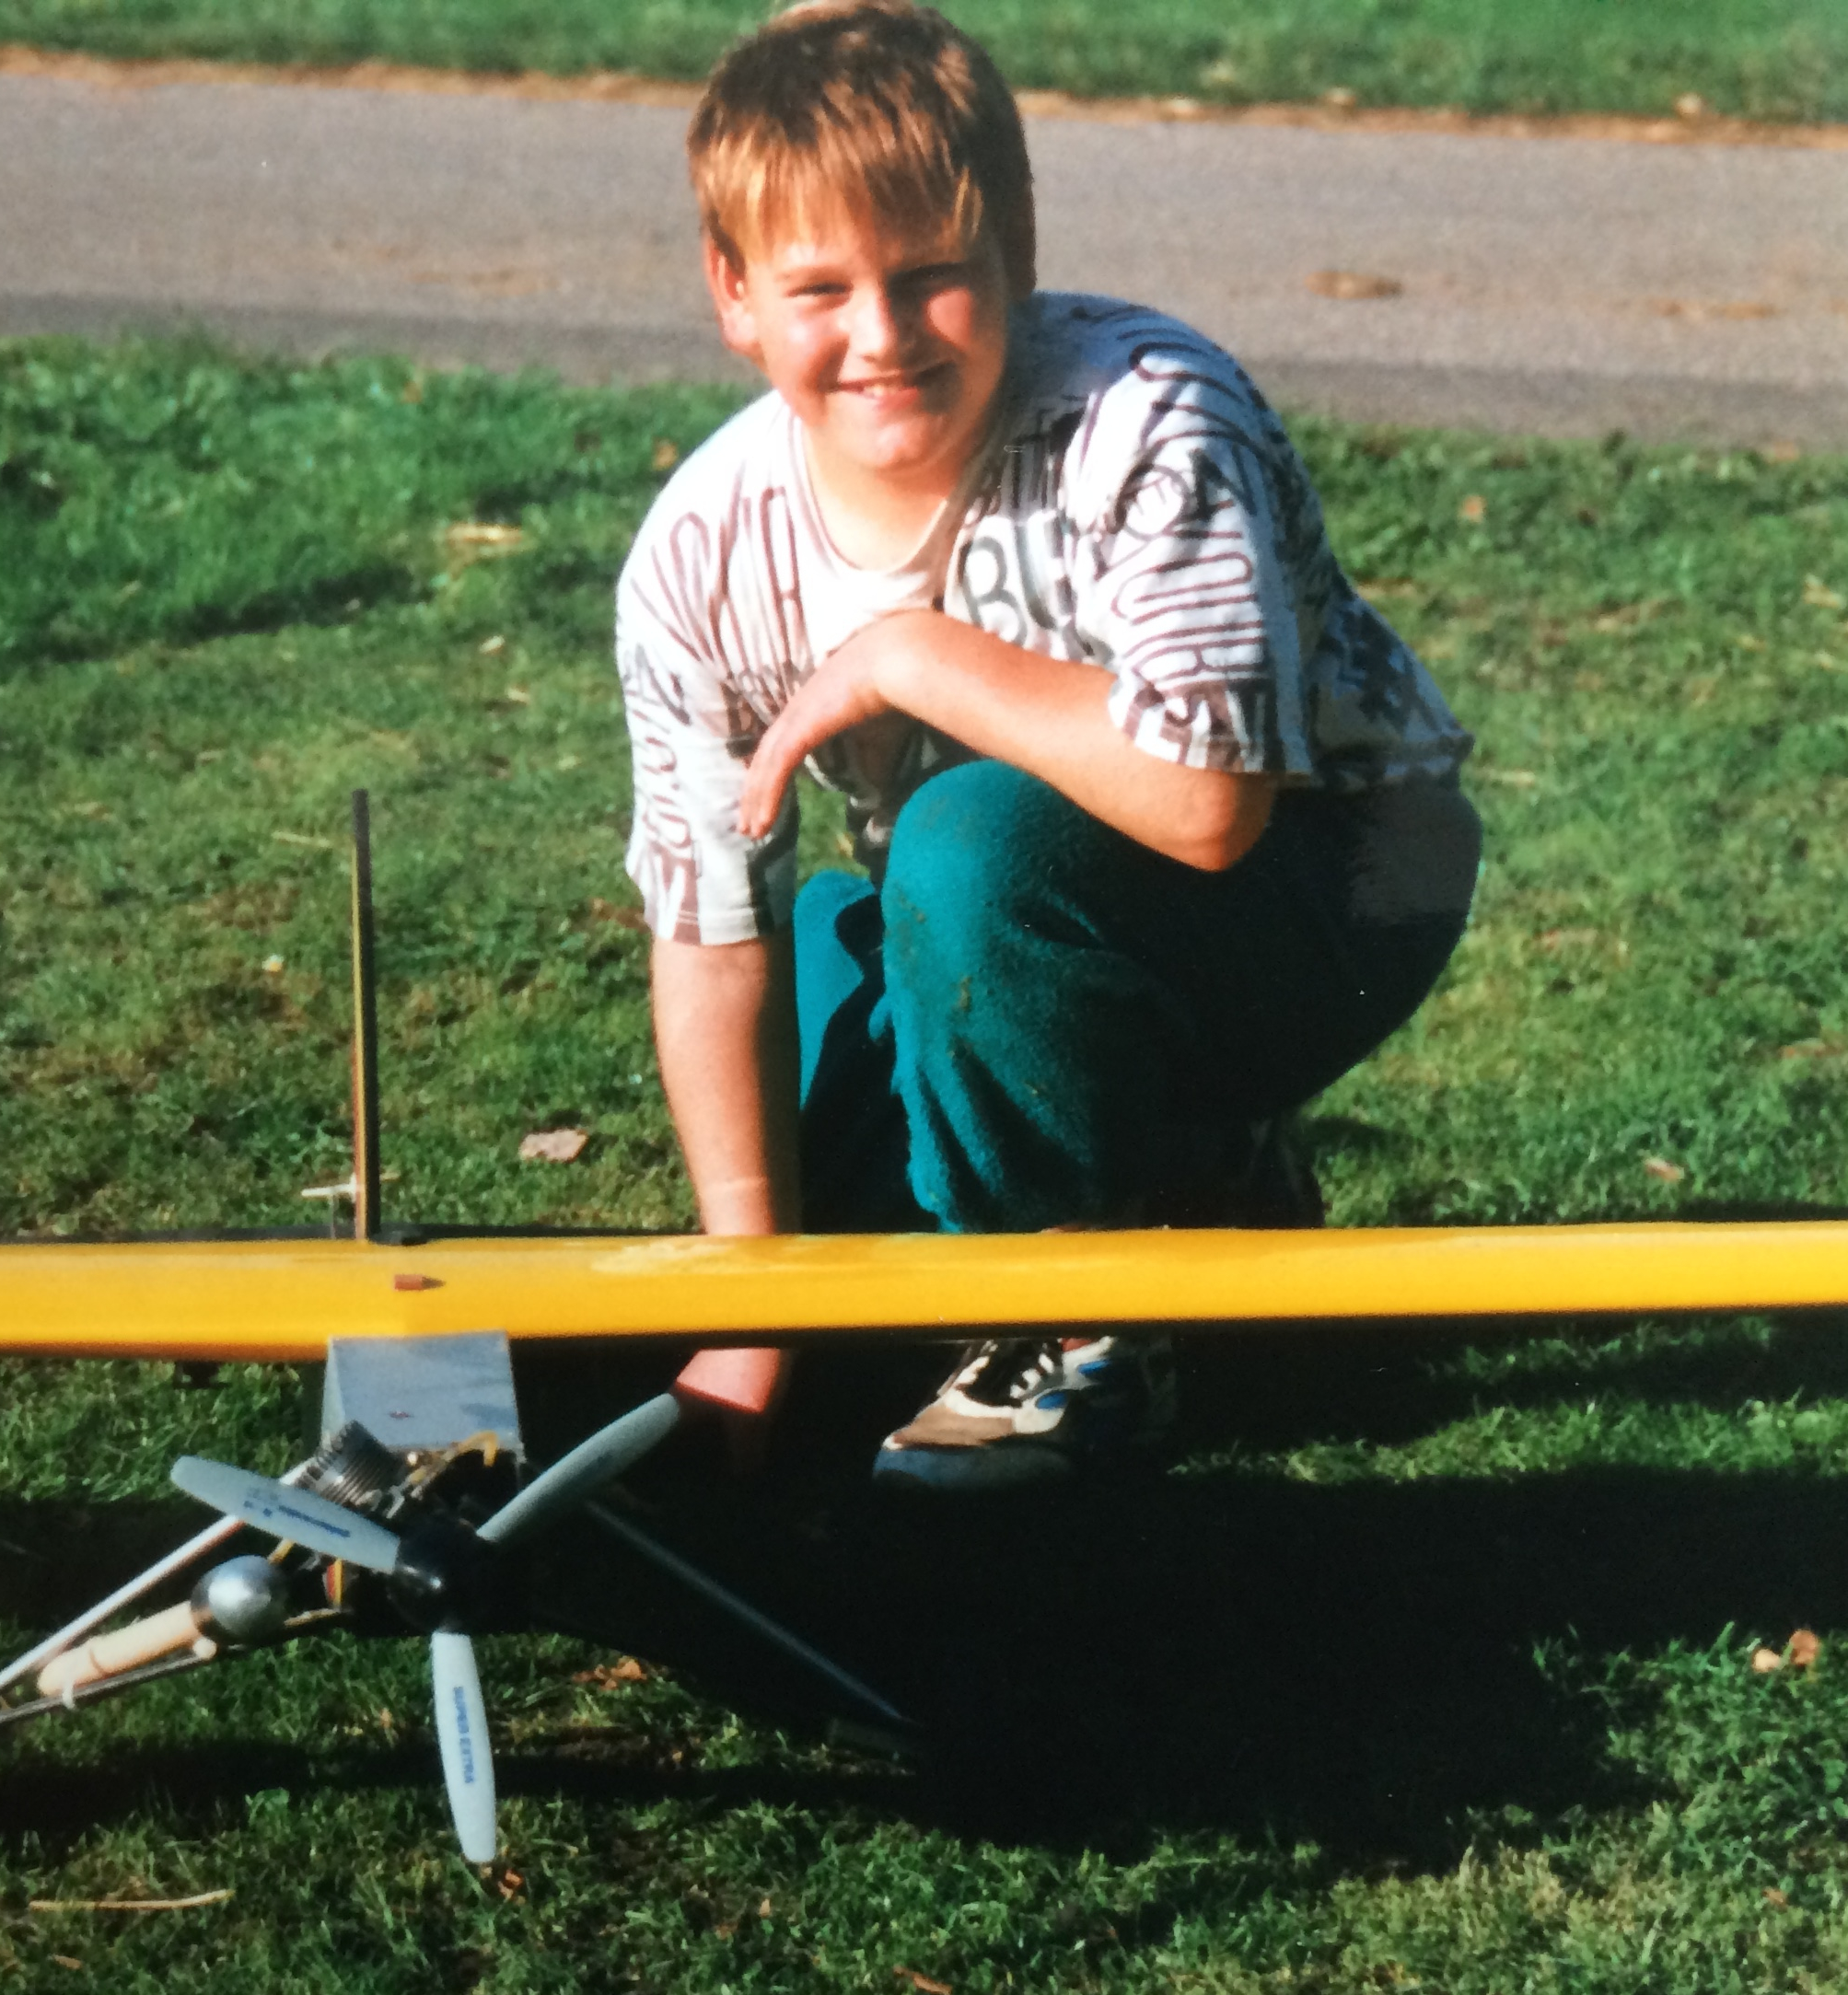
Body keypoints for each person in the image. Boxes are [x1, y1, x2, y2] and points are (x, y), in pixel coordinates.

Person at [621, 0, 1481, 1489]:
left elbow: (1210, 810)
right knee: (830, 954)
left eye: (934, 276)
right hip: (1027, 913)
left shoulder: (1149, 416)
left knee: (960, 857)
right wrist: (748, 1302)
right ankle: (1207, 1174)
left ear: (1016, 238)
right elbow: (710, 929)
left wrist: (911, 654)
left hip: (1333, 882)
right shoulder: (702, 547)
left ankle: (1089, 1315)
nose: (881, 337)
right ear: (734, 291)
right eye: (819, 287)